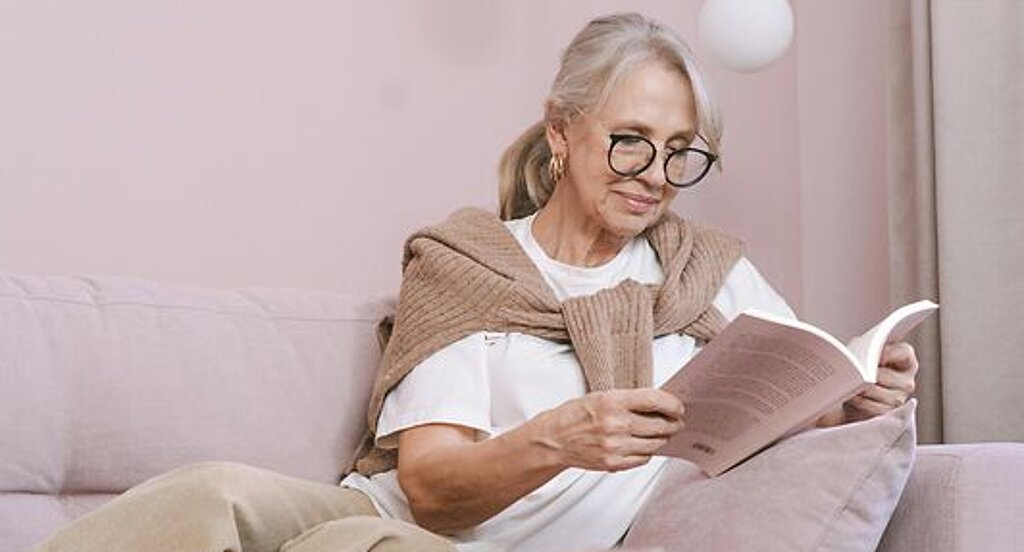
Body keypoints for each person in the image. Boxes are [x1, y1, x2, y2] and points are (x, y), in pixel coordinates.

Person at [33, 12, 918, 552]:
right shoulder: (470, 264)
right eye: (630, 140)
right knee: (213, 495)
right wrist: (562, 439)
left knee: (359, 548)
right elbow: (432, 488)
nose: (653, 173)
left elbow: (802, 393)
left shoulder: (709, 275)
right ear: (563, 133)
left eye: (681, 152)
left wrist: (860, 396)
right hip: (410, 521)